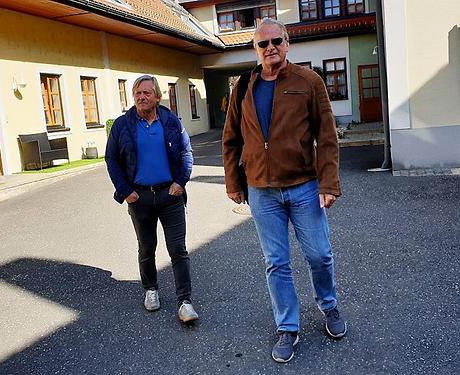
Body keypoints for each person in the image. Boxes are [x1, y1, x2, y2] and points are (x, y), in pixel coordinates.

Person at [222, 19, 346, 363]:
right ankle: (288, 327)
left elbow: (327, 136)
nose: (270, 47)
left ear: (288, 43)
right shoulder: (243, 86)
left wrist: (328, 182)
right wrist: (234, 182)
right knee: (276, 262)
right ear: (255, 50)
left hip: (304, 186)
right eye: (263, 44)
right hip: (262, 191)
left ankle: (329, 306)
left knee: (319, 254)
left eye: (277, 40)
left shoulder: (309, 81)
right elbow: (231, 138)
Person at [105, 75, 198, 323]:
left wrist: (181, 182)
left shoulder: (170, 121)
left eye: (147, 92)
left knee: (178, 250)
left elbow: (185, 151)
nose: (142, 97)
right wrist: (126, 191)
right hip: (140, 198)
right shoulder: (122, 125)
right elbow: (112, 159)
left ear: (157, 96)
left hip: (171, 195)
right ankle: (151, 290)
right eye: (138, 93)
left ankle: (185, 302)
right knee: (147, 248)